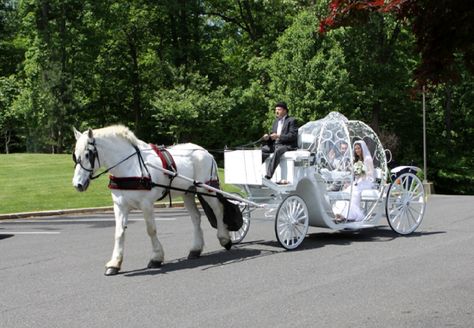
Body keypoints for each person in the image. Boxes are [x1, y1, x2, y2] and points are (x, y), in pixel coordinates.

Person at [333, 140, 375, 222]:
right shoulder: (357, 160)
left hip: (367, 181)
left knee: (355, 191)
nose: (357, 150)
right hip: (359, 181)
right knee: (346, 191)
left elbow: (372, 172)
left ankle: (353, 215)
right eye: (355, 149)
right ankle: (341, 213)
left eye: (358, 148)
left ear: (362, 148)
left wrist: (363, 172)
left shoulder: (368, 159)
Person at [261, 102, 298, 181]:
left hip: (288, 145)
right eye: (276, 110)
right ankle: (255, 171)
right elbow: (273, 136)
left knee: (277, 151)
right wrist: (268, 138)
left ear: (285, 111)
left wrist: (278, 136)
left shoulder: (291, 120)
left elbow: (292, 136)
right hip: (276, 144)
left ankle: (268, 175)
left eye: (279, 109)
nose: (276, 111)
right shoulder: (276, 122)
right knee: (263, 150)